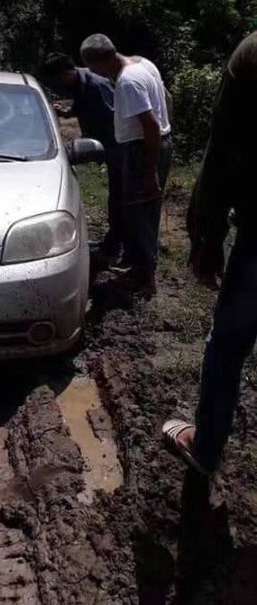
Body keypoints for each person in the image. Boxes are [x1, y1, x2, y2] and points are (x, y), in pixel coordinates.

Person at [162, 31, 257, 476]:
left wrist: (206, 236)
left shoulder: (252, 52)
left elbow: (223, 152)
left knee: (228, 344)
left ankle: (206, 446)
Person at [79, 34, 172, 296]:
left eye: (93, 69)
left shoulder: (128, 82)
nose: (95, 74)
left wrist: (150, 169)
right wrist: (168, 134)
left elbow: (150, 125)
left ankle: (145, 278)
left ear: (98, 63)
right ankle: (141, 269)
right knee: (146, 210)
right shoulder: (144, 64)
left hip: (142, 149)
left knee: (138, 214)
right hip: (158, 143)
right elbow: (168, 99)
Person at [41, 52, 124, 262]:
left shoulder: (96, 85)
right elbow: (82, 104)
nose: (58, 85)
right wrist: (67, 112)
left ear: (67, 72)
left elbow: (116, 117)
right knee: (117, 197)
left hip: (120, 147)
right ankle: (115, 241)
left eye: (58, 79)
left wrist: (108, 149)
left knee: (121, 198)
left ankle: (118, 246)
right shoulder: (79, 83)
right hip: (109, 147)